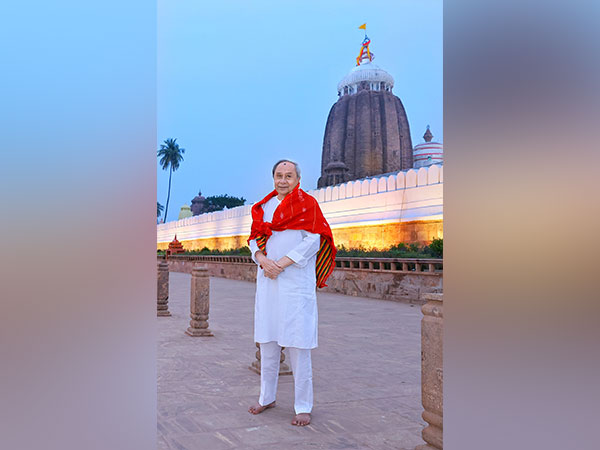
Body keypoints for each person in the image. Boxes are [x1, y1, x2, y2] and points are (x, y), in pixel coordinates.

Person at [246, 159, 336, 427]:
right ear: (273, 178)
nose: (283, 180)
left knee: (298, 346)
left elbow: (315, 240)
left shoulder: (308, 205)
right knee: (268, 342)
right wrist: (263, 260)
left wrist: (282, 264)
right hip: (268, 283)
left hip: (295, 284)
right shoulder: (263, 207)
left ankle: (303, 406)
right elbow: (253, 239)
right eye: (278, 175)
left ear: (298, 179)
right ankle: (267, 397)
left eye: (288, 175)